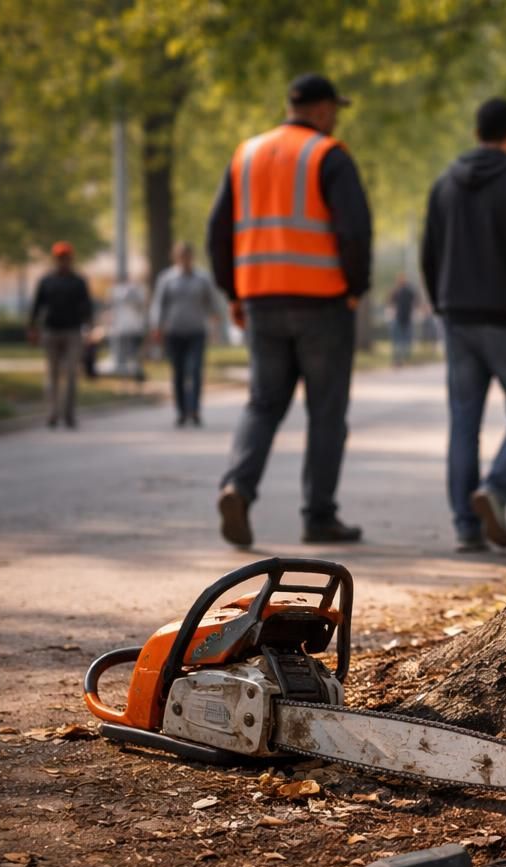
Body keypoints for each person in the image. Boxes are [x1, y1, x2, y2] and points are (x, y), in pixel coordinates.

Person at [207, 72, 372, 547]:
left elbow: (217, 231)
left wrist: (233, 291)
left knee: (262, 403)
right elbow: (355, 231)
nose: (335, 118)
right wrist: (355, 287)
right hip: (322, 301)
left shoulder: (246, 154)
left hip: (260, 299)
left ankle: (238, 485)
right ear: (321, 109)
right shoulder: (328, 155)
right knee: (325, 412)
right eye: (335, 110)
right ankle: (319, 517)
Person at [421, 97, 506, 552]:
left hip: (458, 318)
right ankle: (496, 490)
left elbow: (429, 254)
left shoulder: (444, 186)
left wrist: (443, 307)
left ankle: (466, 527)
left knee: (464, 421)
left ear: (477, 133)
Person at [150, 241, 224, 426]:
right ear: (176, 257)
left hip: (196, 331)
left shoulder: (202, 278)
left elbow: (213, 304)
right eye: (182, 256)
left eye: (188, 256)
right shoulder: (167, 278)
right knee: (179, 372)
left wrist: (216, 326)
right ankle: (181, 411)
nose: (185, 260)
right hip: (174, 332)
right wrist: (157, 327)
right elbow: (159, 304)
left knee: (195, 370)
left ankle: (195, 409)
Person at [27, 241, 94, 429]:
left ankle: (69, 414)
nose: (63, 261)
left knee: (72, 373)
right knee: (52, 374)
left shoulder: (78, 281)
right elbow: (36, 305)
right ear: (55, 259)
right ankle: (52, 412)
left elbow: (87, 307)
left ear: (70, 259)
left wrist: (89, 328)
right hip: (51, 331)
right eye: (60, 258)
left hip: (72, 331)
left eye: (66, 257)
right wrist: (32, 328)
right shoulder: (46, 281)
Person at [107, 277, 148, 381]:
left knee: (135, 353)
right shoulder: (117, 291)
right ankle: (127, 375)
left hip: (136, 328)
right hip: (122, 328)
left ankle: (137, 372)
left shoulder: (139, 291)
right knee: (124, 354)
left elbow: (142, 305)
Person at [387, 272, 419, 367]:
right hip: (398, 318)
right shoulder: (396, 291)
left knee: (405, 339)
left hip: (407, 318)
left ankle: (404, 358)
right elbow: (390, 303)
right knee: (398, 340)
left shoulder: (409, 291)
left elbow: (416, 302)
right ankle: (398, 359)